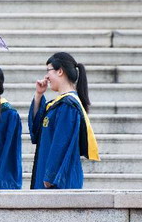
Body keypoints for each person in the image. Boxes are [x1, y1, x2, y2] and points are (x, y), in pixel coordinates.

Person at [29, 52, 100, 190]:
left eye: (48, 71)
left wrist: (50, 177)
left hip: (58, 180)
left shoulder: (68, 106)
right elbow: (36, 132)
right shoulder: (57, 104)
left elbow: (61, 143)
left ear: (60, 71)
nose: (46, 77)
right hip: (47, 175)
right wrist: (38, 95)